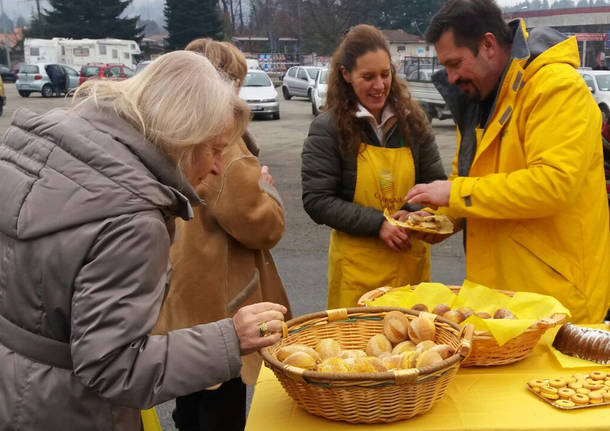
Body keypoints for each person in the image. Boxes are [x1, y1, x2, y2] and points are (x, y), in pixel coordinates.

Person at [0, 51, 288, 431]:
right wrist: (228, 339)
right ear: (182, 136)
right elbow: (113, 366)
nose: (219, 166)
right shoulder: (132, 218)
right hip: (70, 410)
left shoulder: (52, 145)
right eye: (215, 149)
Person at [405, 0, 610, 323]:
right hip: (496, 299)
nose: (451, 76)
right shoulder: (478, 98)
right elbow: (467, 179)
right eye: (445, 66)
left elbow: (553, 185)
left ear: (488, 45)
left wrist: (454, 196)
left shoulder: (555, 87)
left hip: (553, 301)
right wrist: (436, 217)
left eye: (455, 63)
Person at [153, 39, 292, 431]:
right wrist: (267, 188)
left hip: (186, 285)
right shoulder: (223, 144)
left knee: (191, 396)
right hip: (221, 298)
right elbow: (263, 226)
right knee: (221, 402)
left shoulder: (177, 129)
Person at [301, 24, 446, 309]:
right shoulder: (328, 128)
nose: (379, 86)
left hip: (409, 266)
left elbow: (435, 183)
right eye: (367, 77)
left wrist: (414, 214)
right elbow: (317, 199)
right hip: (358, 271)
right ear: (346, 75)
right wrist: (378, 224)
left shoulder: (412, 122)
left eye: (385, 74)